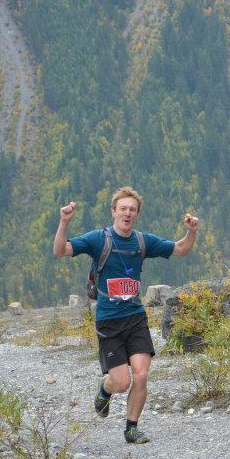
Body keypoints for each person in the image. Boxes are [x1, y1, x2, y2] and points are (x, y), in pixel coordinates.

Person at [53, 186, 199, 443]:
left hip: (135, 318)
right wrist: (64, 222)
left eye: (132, 209)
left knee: (141, 375)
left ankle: (132, 428)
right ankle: (105, 389)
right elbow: (60, 250)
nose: (127, 213)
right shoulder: (98, 239)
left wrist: (192, 231)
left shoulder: (142, 241)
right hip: (108, 321)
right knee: (121, 382)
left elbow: (180, 249)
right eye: (123, 209)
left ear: (137, 214)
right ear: (114, 211)